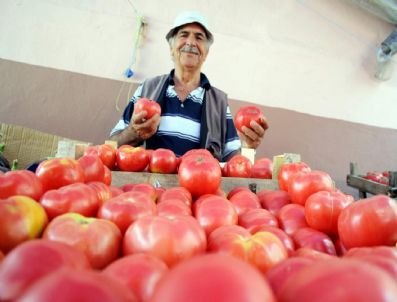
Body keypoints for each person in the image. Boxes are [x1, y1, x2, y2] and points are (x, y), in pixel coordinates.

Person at [110, 11, 268, 162]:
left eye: (199, 38)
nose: (191, 42)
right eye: (184, 35)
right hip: (148, 186)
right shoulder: (146, 89)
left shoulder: (219, 103)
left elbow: (235, 163)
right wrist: (133, 132)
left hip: (199, 187)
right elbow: (110, 145)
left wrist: (249, 147)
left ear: (205, 53)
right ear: (171, 48)